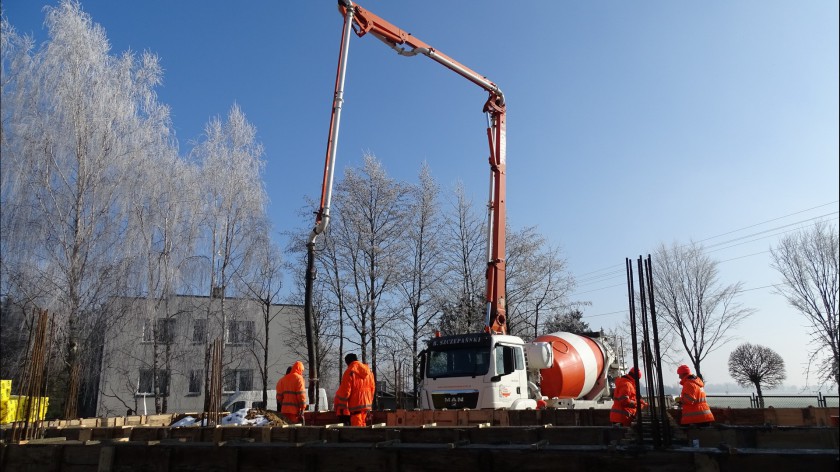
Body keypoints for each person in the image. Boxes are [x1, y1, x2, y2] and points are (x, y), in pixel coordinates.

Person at [335, 353, 375, 426]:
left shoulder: (349, 372)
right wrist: (369, 403)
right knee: (363, 429)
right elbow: (372, 389)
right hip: (366, 407)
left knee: (356, 432)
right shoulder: (369, 372)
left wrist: (342, 409)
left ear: (348, 362)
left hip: (355, 408)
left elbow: (345, 392)